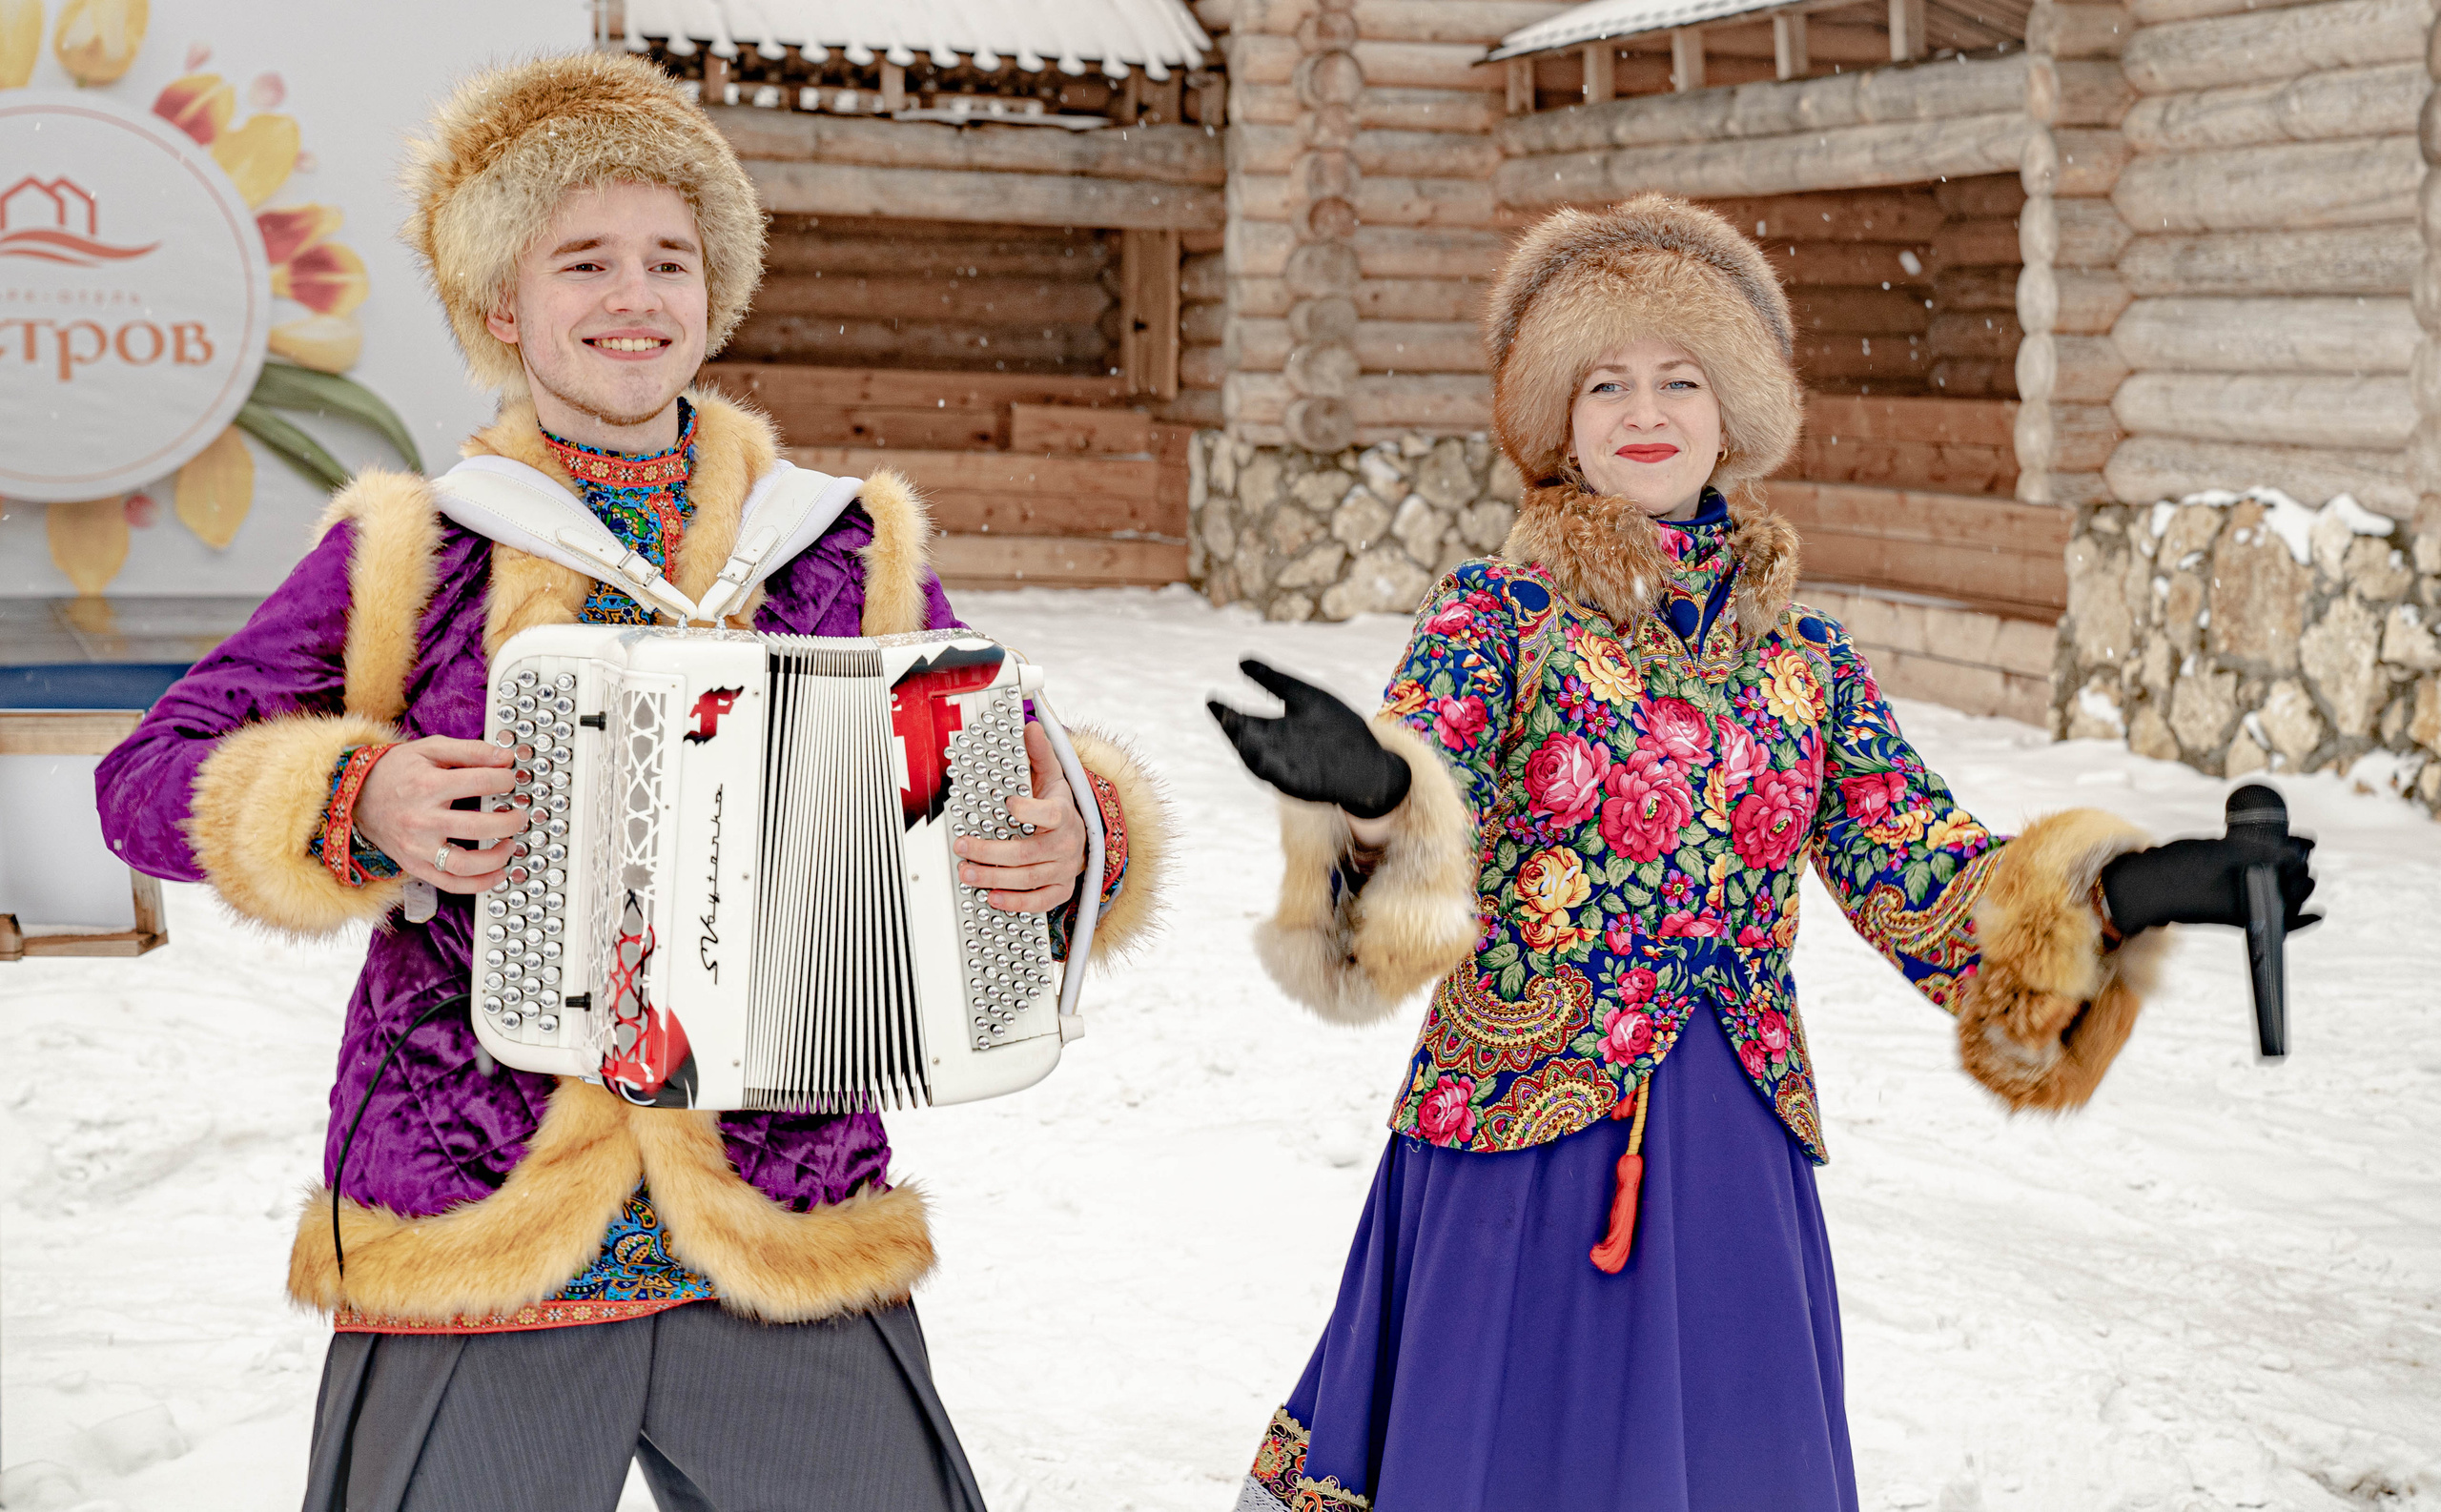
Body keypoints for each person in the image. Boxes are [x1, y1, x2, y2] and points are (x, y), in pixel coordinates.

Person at [93, 52, 1169, 1512]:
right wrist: (362, 797)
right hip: (484, 1215)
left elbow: (1007, 757)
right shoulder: (417, 550)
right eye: (582, 260)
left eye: (670, 260)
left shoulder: (832, 550)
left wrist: (1072, 840)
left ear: (711, 296)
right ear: (502, 309)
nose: (632, 296)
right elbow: (143, 783)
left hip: (781, 1207)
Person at [1208, 194, 2315, 1512]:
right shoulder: (1496, 617)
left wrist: (2135, 886)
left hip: (1731, 1145)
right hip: (1522, 1140)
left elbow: (1926, 875)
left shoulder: (1809, 665)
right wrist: (1379, 794)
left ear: (1733, 413)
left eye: (1681, 376)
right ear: (1560, 420)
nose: (1645, 408)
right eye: (1605, 380)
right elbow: (1425, 825)